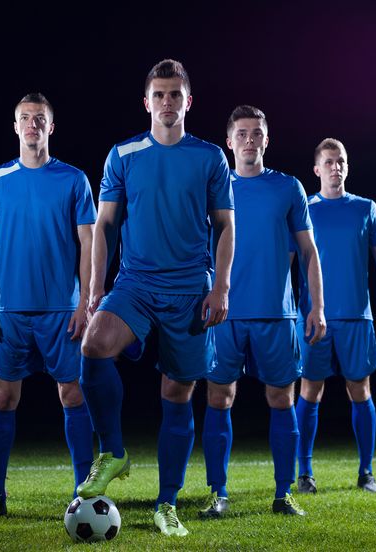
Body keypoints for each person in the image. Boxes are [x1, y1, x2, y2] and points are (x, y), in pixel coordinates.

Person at [77, 59, 235, 537]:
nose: (167, 102)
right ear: (146, 102)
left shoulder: (210, 157)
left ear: (189, 101)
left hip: (190, 289)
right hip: (136, 284)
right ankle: (114, 451)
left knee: (177, 393)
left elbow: (226, 227)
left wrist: (221, 285)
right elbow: (104, 225)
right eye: (159, 95)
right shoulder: (122, 154)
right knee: (92, 345)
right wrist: (94, 286)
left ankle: (167, 504)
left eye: (175, 95)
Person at [0, 93, 96, 520]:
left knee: (72, 393)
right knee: (3, 398)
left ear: (50, 127)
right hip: (9, 311)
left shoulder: (74, 179)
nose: (32, 124)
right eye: (25, 118)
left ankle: (84, 493)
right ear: (15, 126)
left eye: (39, 118)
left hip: (62, 309)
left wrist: (86, 302)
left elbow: (88, 243)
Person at [199, 106, 326, 519]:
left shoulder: (288, 187)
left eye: (257, 133)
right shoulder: (214, 188)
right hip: (224, 313)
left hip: (277, 313)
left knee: (280, 398)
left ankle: (283, 493)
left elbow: (308, 252)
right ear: (230, 141)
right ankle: (218, 493)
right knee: (219, 397)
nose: (249, 140)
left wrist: (317, 306)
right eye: (242, 133)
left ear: (266, 140)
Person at [294, 138, 376, 494]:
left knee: (360, 389)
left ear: (347, 166)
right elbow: (286, 260)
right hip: (313, 317)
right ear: (317, 169)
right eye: (328, 162)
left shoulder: (366, 209)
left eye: (340, 161)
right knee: (309, 390)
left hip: (357, 316)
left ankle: (366, 472)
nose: (335, 167)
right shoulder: (304, 210)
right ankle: (305, 474)